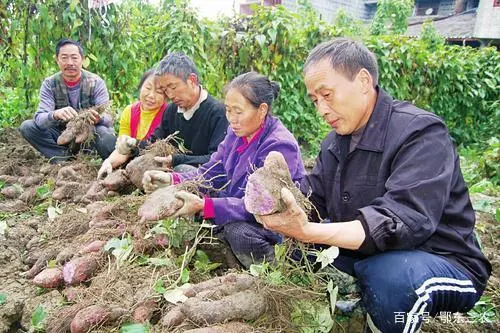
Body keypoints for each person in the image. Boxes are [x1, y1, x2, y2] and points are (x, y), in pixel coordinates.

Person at [256, 38, 491, 333]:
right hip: (371, 254)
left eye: (327, 95)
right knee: (291, 248)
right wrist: (281, 200)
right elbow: (314, 200)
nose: (321, 109)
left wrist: (310, 231)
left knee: (390, 278)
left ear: (364, 81)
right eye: (315, 100)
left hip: (443, 261)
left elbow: (402, 220)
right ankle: (354, 300)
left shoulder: (421, 132)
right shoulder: (335, 142)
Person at [140, 72, 306, 268]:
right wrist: (172, 179)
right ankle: (217, 235)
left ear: (262, 110)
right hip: (235, 199)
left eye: (238, 111)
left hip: (269, 222)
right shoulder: (236, 132)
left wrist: (205, 206)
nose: (232, 119)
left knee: (238, 232)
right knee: (187, 174)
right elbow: (213, 170)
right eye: (228, 110)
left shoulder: (278, 146)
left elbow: (257, 206)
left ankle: (273, 265)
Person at [114, 52, 228, 173]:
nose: (170, 95)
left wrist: (175, 160)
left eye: (173, 87)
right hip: (170, 173)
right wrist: (133, 145)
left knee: (182, 169)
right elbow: (154, 144)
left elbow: (216, 159)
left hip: (200, 178)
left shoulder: (218, 113)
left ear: (192, 80)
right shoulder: (171, 110)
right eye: (165, 90)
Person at [19, 38, 115, 163]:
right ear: (57, 60)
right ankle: (62, 157)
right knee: (28, 127)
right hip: (62, 132)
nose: (70, 63)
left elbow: (108, 117)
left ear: (82, 59)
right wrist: (55, 114)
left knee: (104, 134)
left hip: (90, 132)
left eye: (74, 58)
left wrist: (98, 118)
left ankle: (91, 156)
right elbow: (40, 119)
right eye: (64, 58)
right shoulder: (49, 84)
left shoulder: (96, 82)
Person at [97, 68, 168, 179]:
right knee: (106, 141)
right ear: (140, 87)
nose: (151, 95)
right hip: (129, 153)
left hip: (151, 158)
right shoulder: (129, 111)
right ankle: (122, 168)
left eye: (159, 92)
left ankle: (130, 171)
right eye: (148, 88)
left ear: (166, 96)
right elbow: (123, 147)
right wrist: (109, 162)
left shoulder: (168, 114)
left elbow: (160, 149)